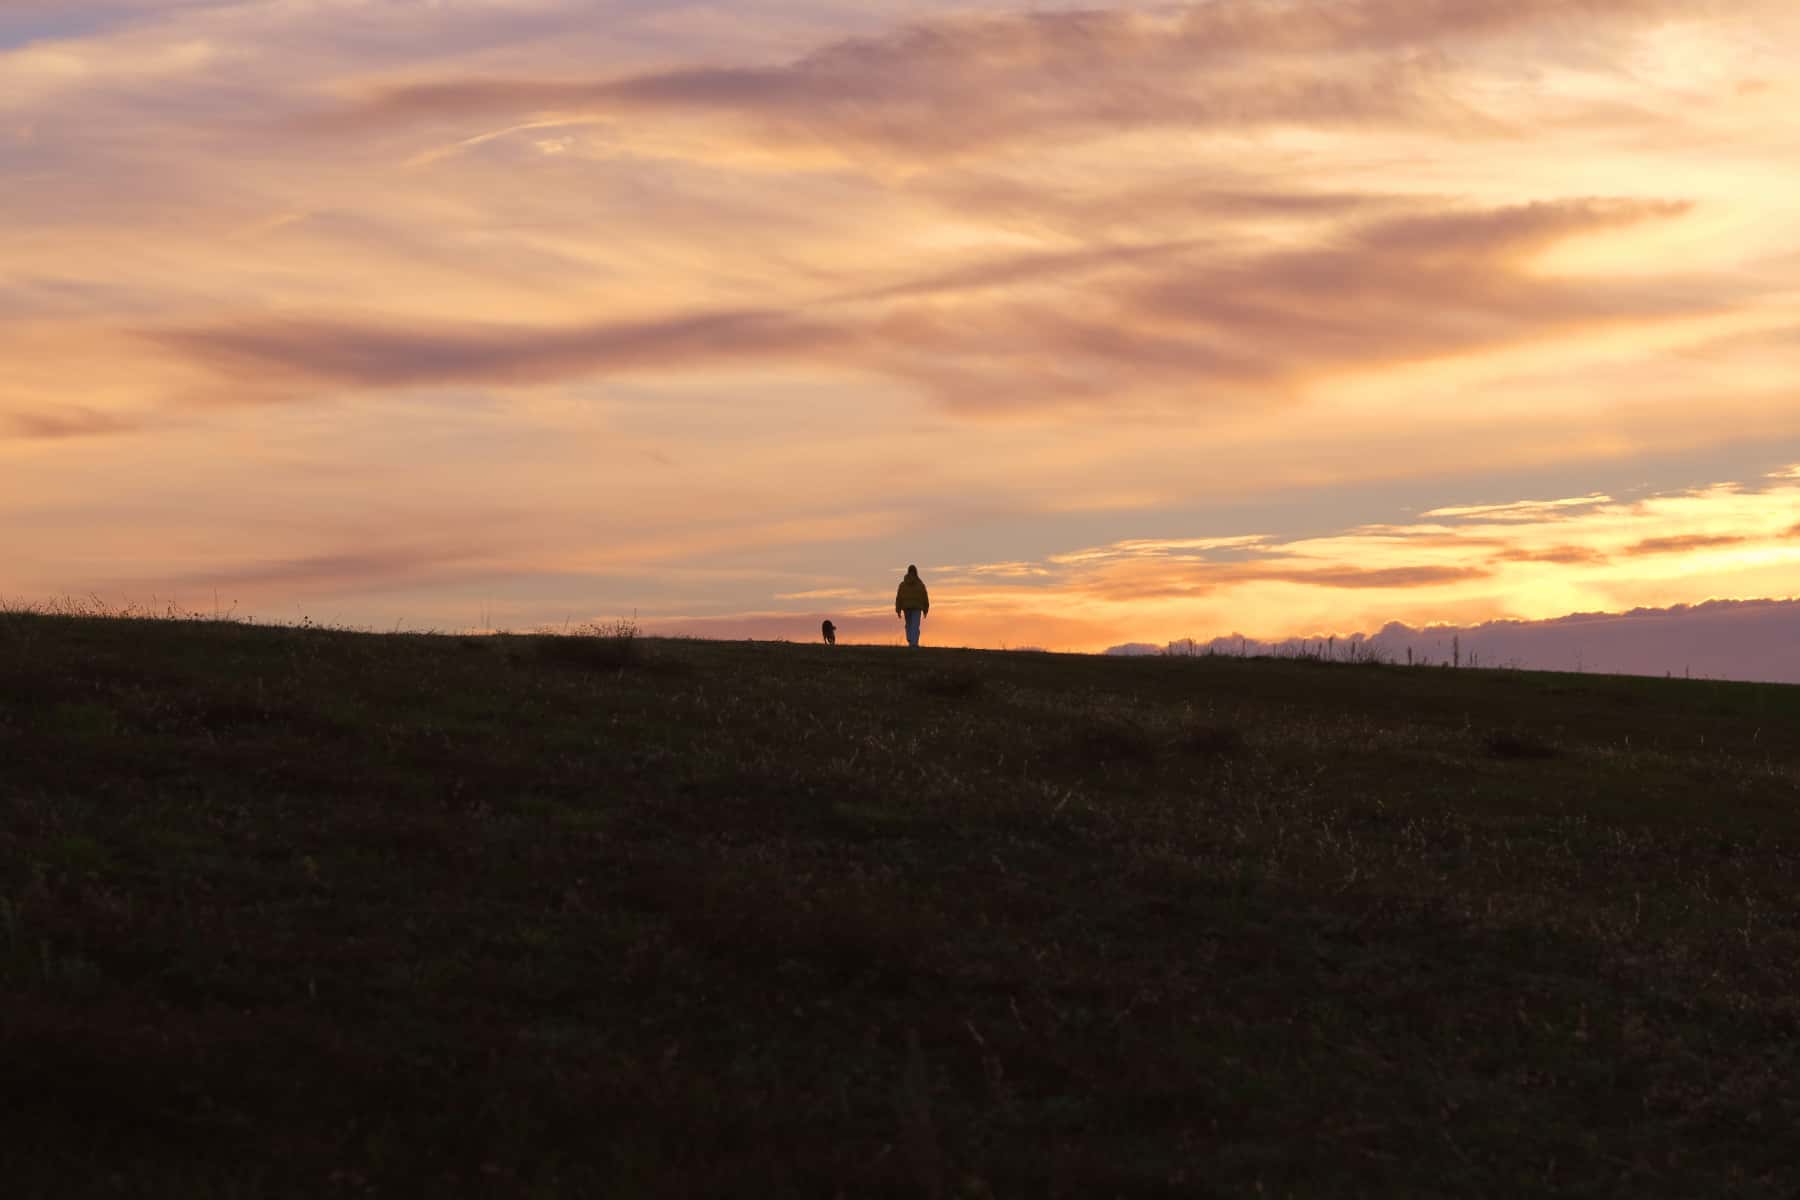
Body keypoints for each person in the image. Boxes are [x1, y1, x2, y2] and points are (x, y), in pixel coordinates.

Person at [894, 564, 929, 648]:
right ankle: (914, 643)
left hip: (907, 607)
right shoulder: (920, 585)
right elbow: (925, 597)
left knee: (909, 624)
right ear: (916, 572)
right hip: (917, 607)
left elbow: (899, 598)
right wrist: (925, 609)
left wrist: (898, 610)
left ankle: (910, 639)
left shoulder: (902, 585)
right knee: (915, 625)